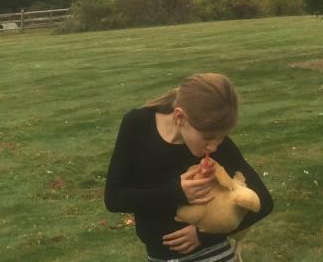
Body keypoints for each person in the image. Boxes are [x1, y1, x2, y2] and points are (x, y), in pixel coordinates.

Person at [104, 73, 273, 262]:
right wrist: (176, 192)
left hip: (214, 254)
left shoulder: (215, 139)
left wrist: (205, 234)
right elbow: (114, 198)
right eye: (208, 138)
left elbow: (264, 201)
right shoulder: (137, 124)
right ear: (179, 117)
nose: (214, 147)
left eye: (221, 137)